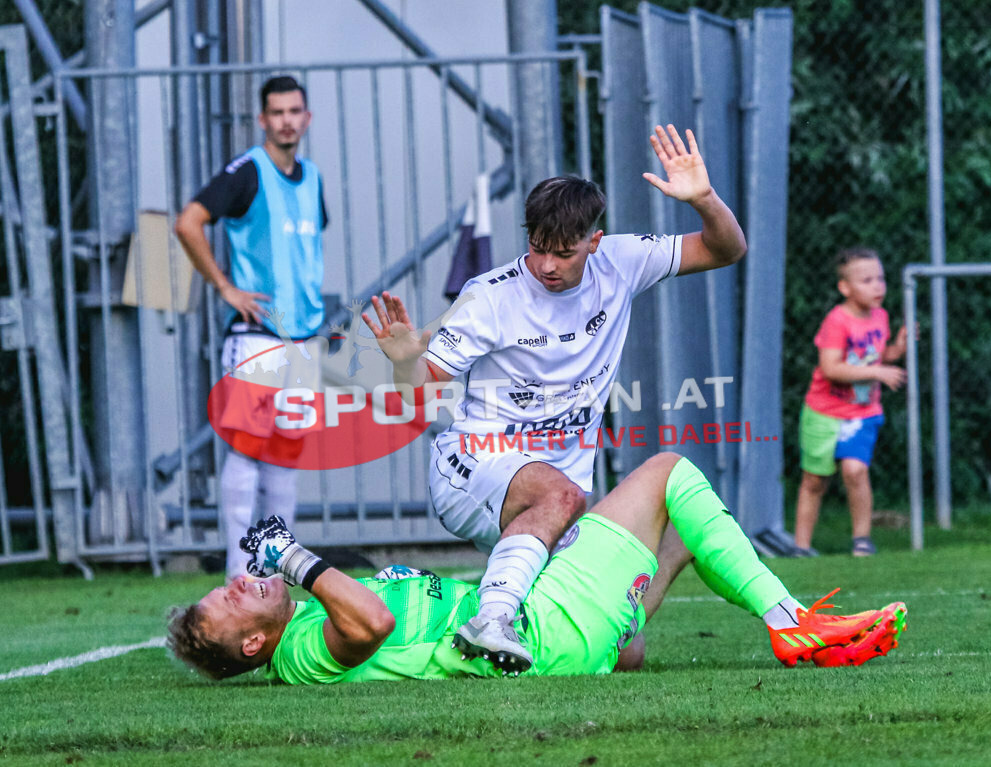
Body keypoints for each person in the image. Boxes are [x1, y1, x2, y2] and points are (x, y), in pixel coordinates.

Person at [361, 125, 747, 673]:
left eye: (564, 253)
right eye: (538, 248)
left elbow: (727, 249)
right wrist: (403, 359)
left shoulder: (622, 262)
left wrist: (703, 199)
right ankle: (491, 619)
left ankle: (469, 606)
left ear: (595, 241)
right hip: (471, 466)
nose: (546, 265)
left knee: (624, 652)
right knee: (562, 495)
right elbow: (416, 392)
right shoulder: (488, 298)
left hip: (558, 495)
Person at [166, 452, 908, 683]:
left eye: (223, 585)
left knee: (679, 537)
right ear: (254, 643)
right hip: (541, 631)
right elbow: (374, 622)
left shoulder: (302, 626)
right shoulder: (299, 652)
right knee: (669, 472)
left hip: (555, 634)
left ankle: (619, 633)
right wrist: (293, 557)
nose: (235, 582)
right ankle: (791, 621)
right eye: (229, 601)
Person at [175, 75, 329, 580]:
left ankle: (277, 577)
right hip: (256, 336)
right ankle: (239, 575)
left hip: (302, 337)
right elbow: (188, 222)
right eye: (277, 112)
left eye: (294, 111)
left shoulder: (313, 178)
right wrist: (225, 288)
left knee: (285, 455)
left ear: (307, 118)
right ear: (262, 119)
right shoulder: (247, 171)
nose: (287, 120)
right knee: (247, 448)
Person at [792, 247, 908, 557]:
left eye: (880, 278)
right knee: (815, 480)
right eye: (867, 280)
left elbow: (874, 356)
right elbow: (831, 368)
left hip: (863, 413)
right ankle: (801, 547)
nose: (877, 286)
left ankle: (862, 540)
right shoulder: (837, 321)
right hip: (824, 412)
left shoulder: (881, 317)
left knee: (855, 471)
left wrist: (896, 351)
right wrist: (878, 371)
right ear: (845, 287)